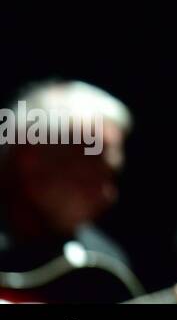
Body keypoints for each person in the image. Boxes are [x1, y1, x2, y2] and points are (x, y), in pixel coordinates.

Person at [0, 80, 134, 302]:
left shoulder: (102, 263)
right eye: (90, 176)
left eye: (110, 177)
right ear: (32, 163)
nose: (107, 195)